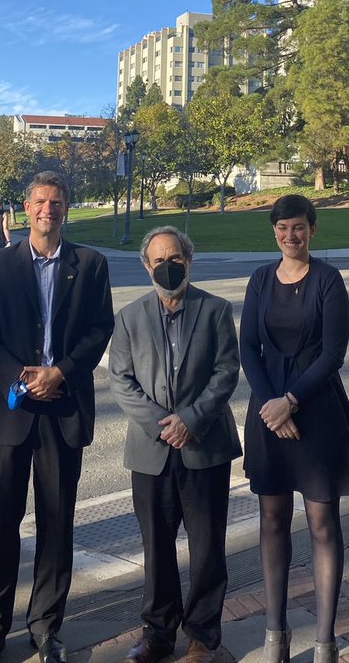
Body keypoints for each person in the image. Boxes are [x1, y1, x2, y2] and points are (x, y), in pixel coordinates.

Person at [0, 171, 114, 663]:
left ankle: (47, 627)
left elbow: (99, 330)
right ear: (25, 209)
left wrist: (62, 373)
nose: (47, 209)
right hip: (12, 413)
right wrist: (18, 377)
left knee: (56, 524)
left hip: (62, 410)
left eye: (56, 201)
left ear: (66, 208)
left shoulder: (90, 265)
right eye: (39, 201)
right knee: (0, 522)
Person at [240, 194, 349, 663]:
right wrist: (274, 406)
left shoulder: (329, 280)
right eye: (282, 228)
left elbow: (333, 353)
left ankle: (325, 640)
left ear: (312, 230)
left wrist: (290, 402)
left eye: (298, 227)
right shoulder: (259, 280)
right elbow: (248, 348)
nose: (290, 236)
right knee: (271, 520)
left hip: (316, 414)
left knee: (322, 525)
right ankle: (276, 633)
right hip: (268, 414)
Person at [110, 227, 241, 663]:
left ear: (189, 259)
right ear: (147, 266)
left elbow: (226, 372)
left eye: (176, 258)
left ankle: (203, 634)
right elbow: (121, 381)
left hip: (204, 446)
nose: (168, 266)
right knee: (157, 546)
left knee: (206, 546)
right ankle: (157, 634)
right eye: (159, 259)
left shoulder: (216, 310)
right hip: (151, 451)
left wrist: (190, 420)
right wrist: (163, 425)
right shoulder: (129, 318)